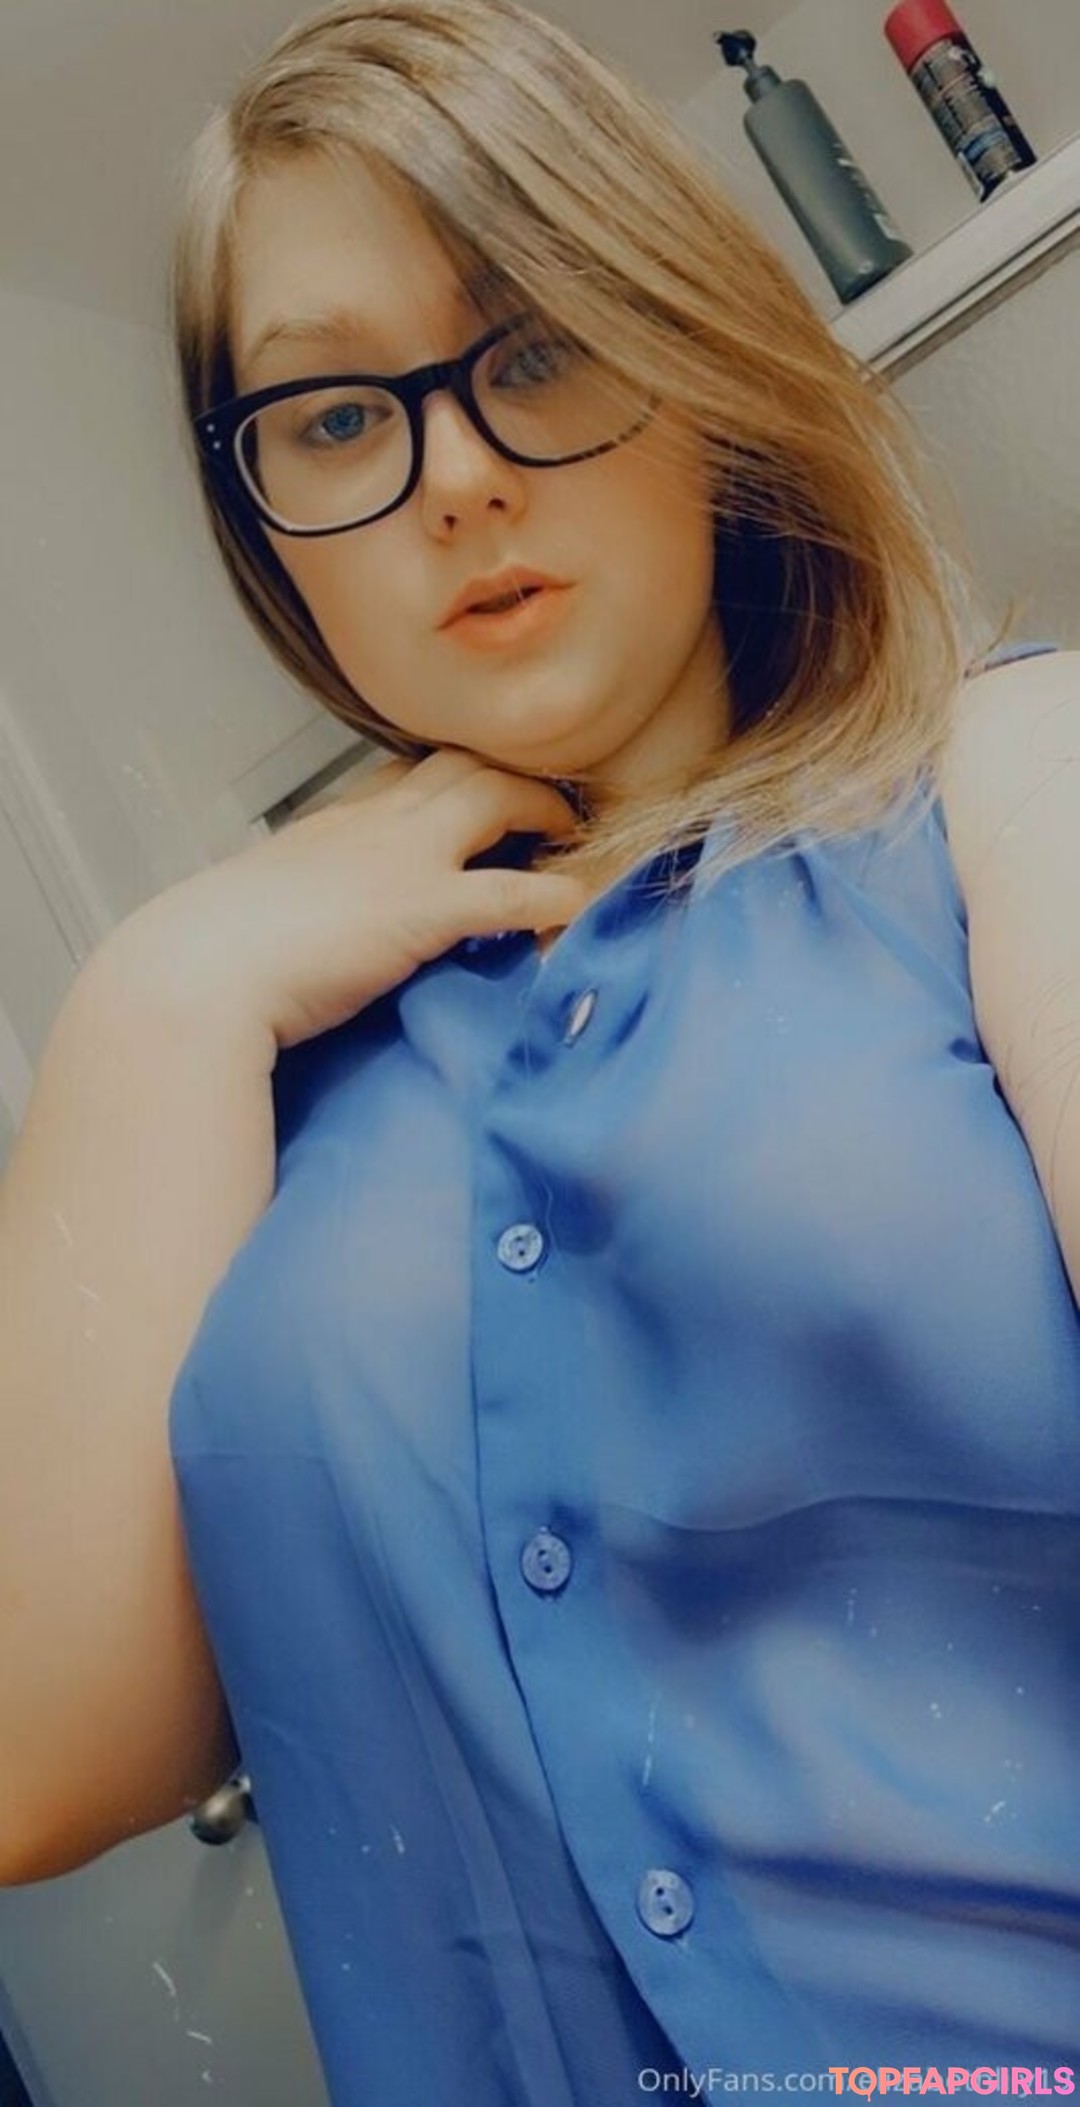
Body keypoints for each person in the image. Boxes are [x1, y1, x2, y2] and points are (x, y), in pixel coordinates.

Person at [2, 0, 1078, 2100]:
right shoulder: (247, 1071)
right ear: (262, 516)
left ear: (697, 362)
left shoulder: (1006, 778)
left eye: (539, 346)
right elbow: (41, 1759)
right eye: (335, 415)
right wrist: (159, 985)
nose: (462, 476)